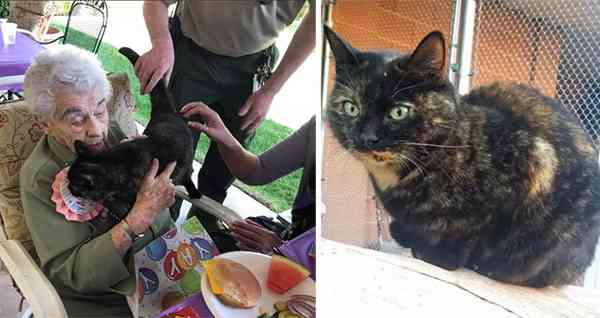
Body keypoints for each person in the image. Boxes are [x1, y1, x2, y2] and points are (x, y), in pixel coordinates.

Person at [20, 45, 176, 317]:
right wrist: (137, 219)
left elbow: (156, 191)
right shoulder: (40, 178)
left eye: (100, 110)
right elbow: (69, 271)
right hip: (106, 298)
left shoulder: (113, 132)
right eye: (77, 119)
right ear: (45, 123)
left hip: (167, 261)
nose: (96, 130)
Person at [135, 0, 316, 225]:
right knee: (167, 158)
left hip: (252, 67)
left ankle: (202, 232)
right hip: (191, 54)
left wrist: (270, 90)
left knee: (223, 169)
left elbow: (318, 20)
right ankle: (157, 230)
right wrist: (161, 43)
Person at [180, 102, 315, 272]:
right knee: (205, 249)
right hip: (289, 240)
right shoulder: (321, 126)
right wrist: (225, 138)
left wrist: (285, 253)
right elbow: (258, 170)